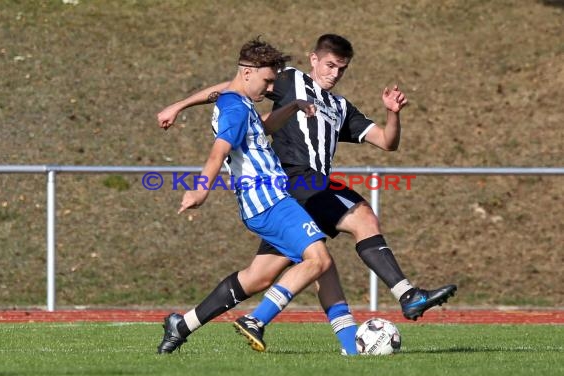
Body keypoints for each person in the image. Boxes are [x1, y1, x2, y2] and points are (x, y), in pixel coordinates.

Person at [157, 34, 457, 355]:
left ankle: (183, 324)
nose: (334, 73)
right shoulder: (288, 80)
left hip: (295, 192)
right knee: (360, 220)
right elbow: (232, 89)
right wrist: (180, 104)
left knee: (264, 276)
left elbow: (386, 141)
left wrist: (392, 113)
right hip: (294, 180)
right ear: (313, 59)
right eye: (329, 65)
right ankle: (406, 295)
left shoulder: (340, 107)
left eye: (341, 69)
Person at [158, 37, 337, 354]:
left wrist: (292, 107)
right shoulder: (234, 109)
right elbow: (218, 153)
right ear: (248, 73)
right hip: (270, 202)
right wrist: (200, 189)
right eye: (267, 81)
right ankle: (256, 320)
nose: (269, 89)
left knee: (256, 279)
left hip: (263, 204)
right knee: (319, 260)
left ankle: (181, 325)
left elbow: (259, 128)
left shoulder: (237, 101)